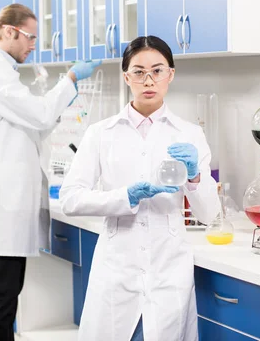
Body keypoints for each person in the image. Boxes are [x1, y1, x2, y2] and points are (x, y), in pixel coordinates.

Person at [60, 35, 221, 341]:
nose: (149, 80)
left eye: (158, 71)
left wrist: (196, 177)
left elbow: (210, 213)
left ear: (170, 75)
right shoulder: (101, 133)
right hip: (117, 269)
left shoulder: (190, 134)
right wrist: (125, 197)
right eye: (138, 71)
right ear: (126, 77)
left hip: (168, 270)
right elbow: (70, 199)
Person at [0, 3, 101, 341]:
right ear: (9, 32)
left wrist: (58, 106)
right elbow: (38, 115)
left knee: (5, 293)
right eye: (30, 37)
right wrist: (68, 80)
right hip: (2, 198)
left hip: (4, 196)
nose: (33, 44)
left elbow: (33, 126)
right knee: (4, 297)